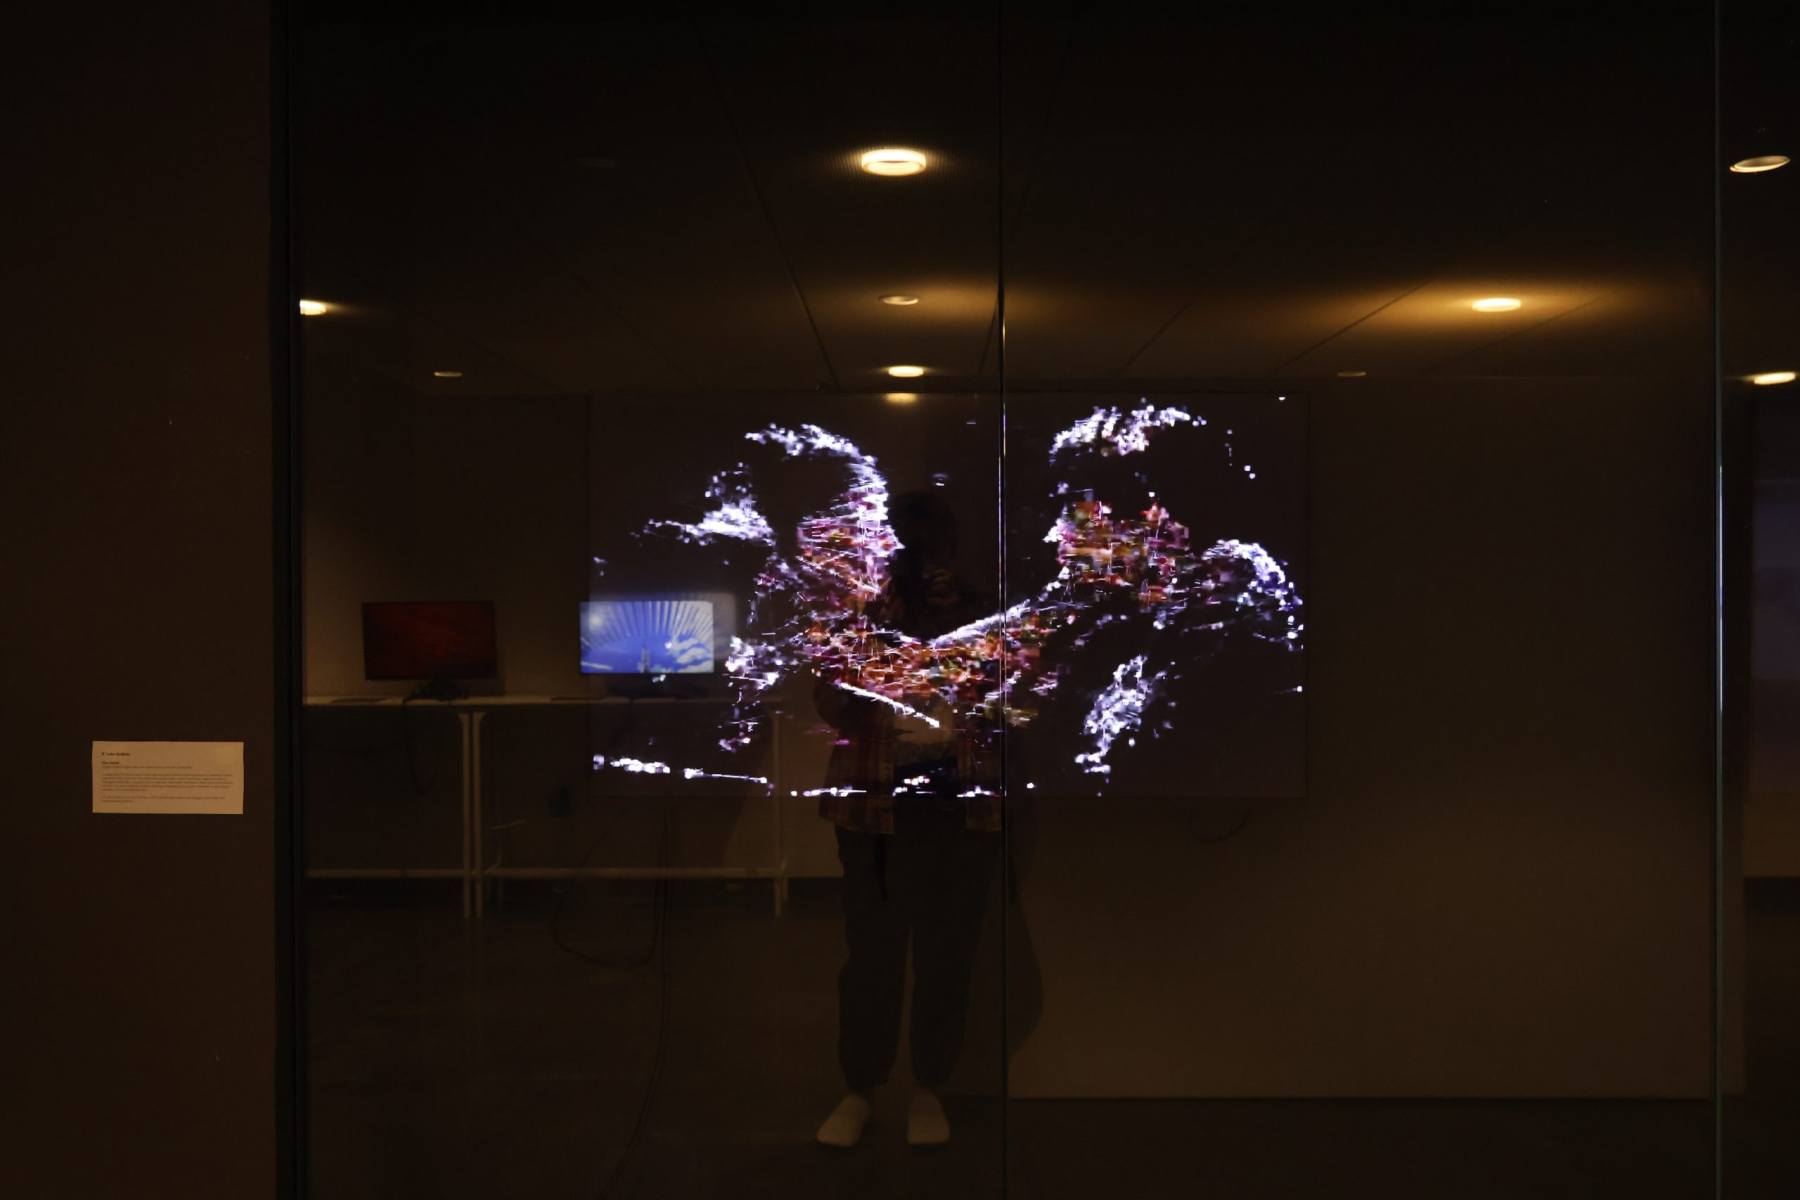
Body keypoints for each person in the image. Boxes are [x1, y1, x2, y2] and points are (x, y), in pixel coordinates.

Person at [812, 490, 1003, 1149]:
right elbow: (831, 703)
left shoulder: (983, 610)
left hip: (958, 803)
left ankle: (930, 1086)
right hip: (873, 806)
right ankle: (860, 1087)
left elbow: (1012, 702)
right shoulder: (862, 613)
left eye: (929, 543)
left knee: (947, 955)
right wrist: (880, 628)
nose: (921, 557)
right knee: (873, 955)